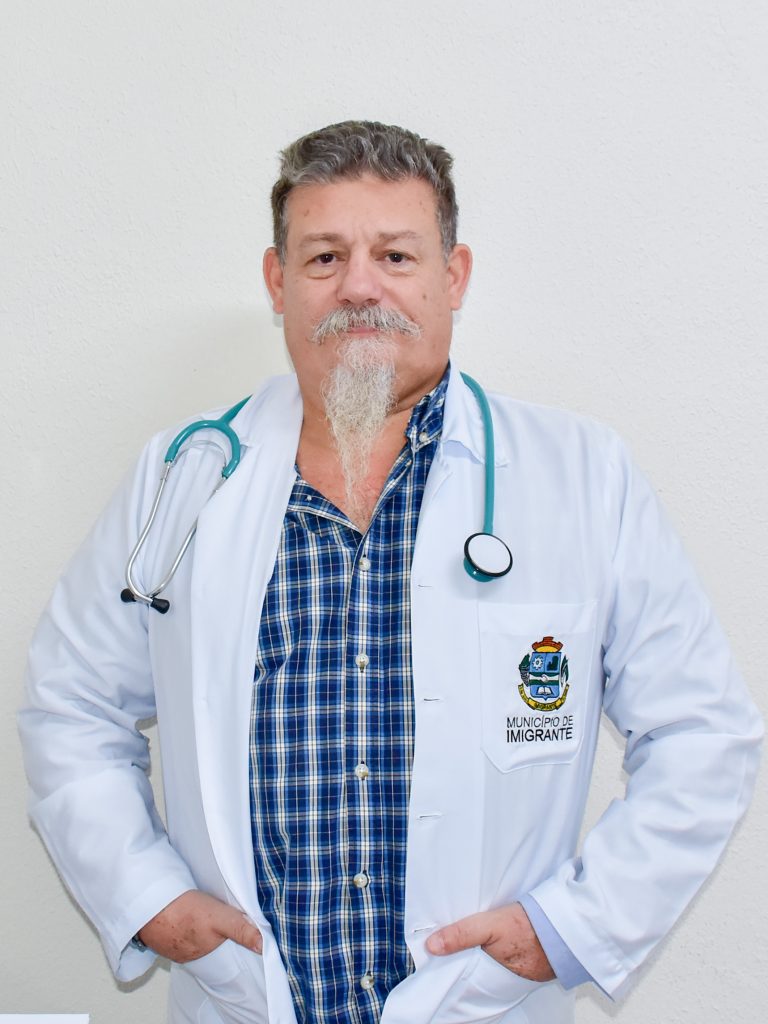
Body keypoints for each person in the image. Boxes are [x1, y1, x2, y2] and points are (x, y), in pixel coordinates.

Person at [19, 120, 761, 1024]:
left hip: (479, 1004)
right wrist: (146, 899)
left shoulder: (581, 476)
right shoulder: (185, 474)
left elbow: (702, 732)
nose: (360, 287)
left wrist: (574, 928)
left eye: (396, 256)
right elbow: (72, 704)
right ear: (278, 281)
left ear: (454, 277)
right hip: (249, 1000)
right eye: (325, 257)